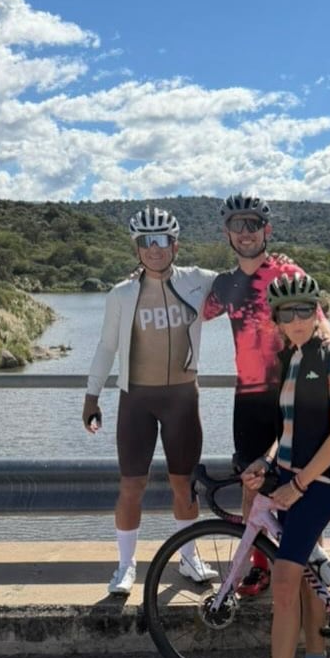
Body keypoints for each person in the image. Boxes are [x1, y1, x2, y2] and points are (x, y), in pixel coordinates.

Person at [237, 273, 330, 658]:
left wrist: (297, 486)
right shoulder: (292, 357)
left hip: (318, 485)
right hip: (287, 478)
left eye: (304, 311)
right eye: (286, 314)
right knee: (305, 575)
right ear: (278, 321)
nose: (296, 321)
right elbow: (286, 429)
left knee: (284, 584)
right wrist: (265, 462)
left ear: (317, 310)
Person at [203, 193, 330, 595]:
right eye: (238, 225)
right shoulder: (224, 286)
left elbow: (322, 326)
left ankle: (311, 572)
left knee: (302, 487)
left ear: (267, 230)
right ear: (227, 232)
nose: (246, 233)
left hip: (291, 394)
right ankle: (258, 564)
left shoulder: (286, 272)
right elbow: (186, 312)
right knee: (251, 484)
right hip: (249, 399)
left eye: (253, 225)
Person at [83, 206, 218, 595]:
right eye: (146, 242)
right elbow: (107, 346)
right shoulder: (122, 294)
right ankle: (126, 566)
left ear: (175, 245)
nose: (154, 249)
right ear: (137, 247)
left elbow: (245, 279)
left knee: (184, 484)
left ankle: (189, 557)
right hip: (136, 399)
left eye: (161, 241)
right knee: (131, 485)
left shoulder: (197, 281)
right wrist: (92, 395)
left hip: (182, 398)